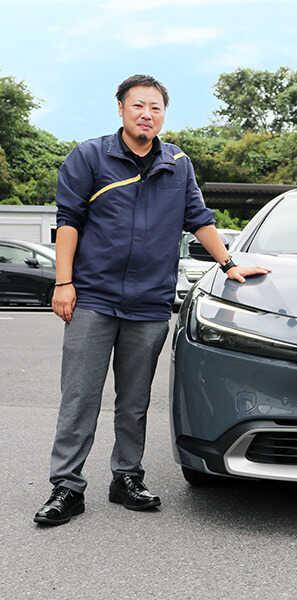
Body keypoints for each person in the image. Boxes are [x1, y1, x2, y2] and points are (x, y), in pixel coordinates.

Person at [34, 74, 269, 526]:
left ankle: (127, 477)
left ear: (164, 114)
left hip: (149, 302)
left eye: (156, 107)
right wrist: (64, 283)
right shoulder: (90, 156)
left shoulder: (177, 163)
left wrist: (228, 263)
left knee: (135, 399)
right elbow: (68, 222)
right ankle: (66, 486)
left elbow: (198, 218)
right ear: (120, 108)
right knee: (80, 396)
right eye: (138, 105)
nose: (147, 114)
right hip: (94, 299)